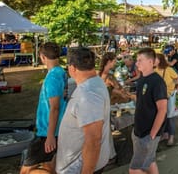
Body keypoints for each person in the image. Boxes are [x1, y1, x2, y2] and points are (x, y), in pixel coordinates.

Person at [56, 47, 111, 174]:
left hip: (79, 167)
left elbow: (93, 140)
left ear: (72, 68)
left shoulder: (88, 93)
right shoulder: (93, 82)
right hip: (78, 163)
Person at [20, 42, 67, 174]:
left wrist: (50, 135)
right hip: (54, 129)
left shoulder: (52, 77)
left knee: (26, 170)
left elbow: (55, 108)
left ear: (42, 57)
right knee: (50, 166)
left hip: (47, 132)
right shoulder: (61, 71)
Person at [129, 48, 167, 174]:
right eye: (136, 60)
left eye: (140, 60)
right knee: (149, 161)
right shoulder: (142, 79)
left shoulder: (157, 82)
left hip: (147, 133)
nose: (137, 63)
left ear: (150, 62)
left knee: (134, 170)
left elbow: (162, 110)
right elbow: (143, 101)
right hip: (139, 131)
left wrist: (151, 135)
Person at [154, 53, 178, 146]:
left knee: (170, 117)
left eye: (155, 59)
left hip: (169, 96)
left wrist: (177, 89)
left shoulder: (168, 69)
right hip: (159, 97)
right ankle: (165, 134)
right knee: (162, 117)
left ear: (160, 60)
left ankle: (171, 136)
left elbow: (177, 78)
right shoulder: (154, 70)